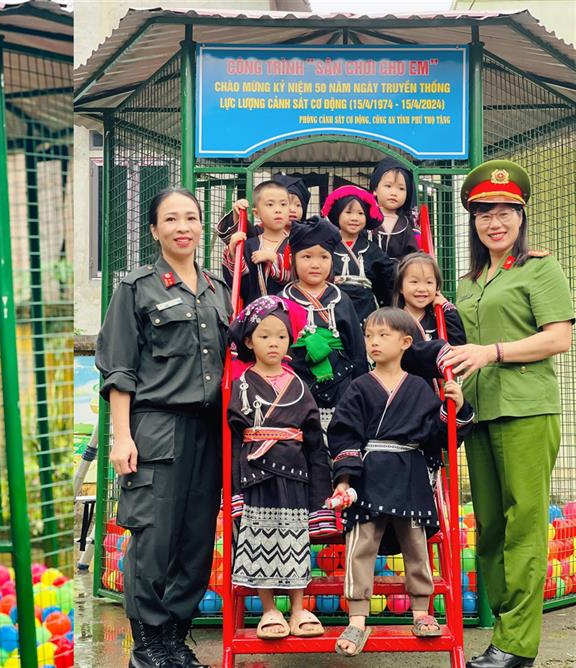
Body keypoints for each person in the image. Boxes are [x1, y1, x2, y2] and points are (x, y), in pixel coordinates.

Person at [435, 160, 573, 668]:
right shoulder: (470, 281)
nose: (494, 222)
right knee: (491, 527)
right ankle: (503, 633)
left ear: (521, 216)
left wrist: (489, 352)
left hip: (527, 411)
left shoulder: (541, 267)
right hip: (480, 415)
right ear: (472, 221)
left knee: (525, 525)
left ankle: (516, 645)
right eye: (483, 213)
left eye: (505, 212)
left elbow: (559, 336)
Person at [96, 187, 230, 668]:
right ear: (154, 230)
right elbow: (119, 370)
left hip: (211, 432)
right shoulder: (136, 287)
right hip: (156, 427)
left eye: (191, 218)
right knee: (152, 540)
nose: (183, 227)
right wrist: (121, 435)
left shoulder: (219, 290)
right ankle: (147, 645)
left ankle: (174, 638)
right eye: (171, 219)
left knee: (195, 541)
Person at [327, 308, 474, 657]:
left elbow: (440, 437)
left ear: (407, 342)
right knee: (360, 545)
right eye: (369, 336)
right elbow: (343, 433)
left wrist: (457, 406)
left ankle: (422, 610)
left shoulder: (422, 389)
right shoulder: (358, 387)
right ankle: (358, 617)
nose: (374, 342)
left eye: (384, 335)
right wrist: (344, 480)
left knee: (416, 545)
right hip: (370, 474)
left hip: (410, 473)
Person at [227, 296, 333, 640]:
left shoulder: (300, 385)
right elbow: (234, 441)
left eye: (281, 337)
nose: (274, 343)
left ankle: (300, 608)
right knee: (259, 542)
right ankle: (270, 610)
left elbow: (316, 444)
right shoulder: (241, 385)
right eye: (264, 336)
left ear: (290, 341)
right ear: (248, 341)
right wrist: (235, 491)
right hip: (256, 478)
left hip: (296, 479)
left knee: (294, 541)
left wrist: (321, 497)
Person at [278, 219, 367, 429]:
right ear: (293, 259)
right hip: (297, 382)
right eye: (306, 257)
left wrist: (361, 388)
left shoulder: (341, 299)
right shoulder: (283, 300)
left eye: (324, 257)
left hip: (340, 383)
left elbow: (356, 348)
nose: (315, 264)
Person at [322, 185, 394, 327]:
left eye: (360, 214)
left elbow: (387, 278)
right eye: (348, 212)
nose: (354, 218)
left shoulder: (373, 250)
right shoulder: (326, 247)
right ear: (337, 214)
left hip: (366, 310)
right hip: (332, 306)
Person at [393, 252, 466, 345]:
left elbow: (458, 344)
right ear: (400, 287)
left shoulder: (440, 317)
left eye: (429, 282)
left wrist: (448, 310)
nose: (422, 289)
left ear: (437, 287)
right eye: (414, 282)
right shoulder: (392, 320)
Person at [369, 158, 420, 260]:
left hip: (400, 273)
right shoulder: (366, 221)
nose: (394, 193)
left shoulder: (407, 225)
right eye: (388, 186)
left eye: (401, 188)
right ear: (375, 189)